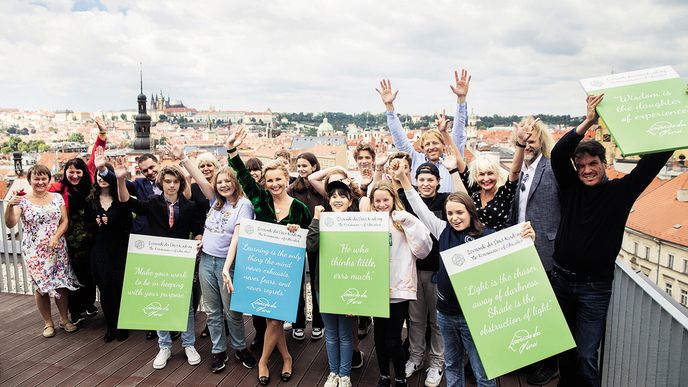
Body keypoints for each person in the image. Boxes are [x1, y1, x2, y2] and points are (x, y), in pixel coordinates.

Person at [549, 95, 673, 387]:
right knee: (564, 351)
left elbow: (653, 161)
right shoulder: (570, 189)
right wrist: (589, 120)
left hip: (595, 287)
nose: (586, 170)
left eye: (593, 163)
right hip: (562, 281)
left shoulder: (620, 192)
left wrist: (677, 119)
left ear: (604, 164)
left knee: (586, 356)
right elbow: (558, 154)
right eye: (580, 166)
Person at [394, 162, 535, 387]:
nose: (454, 218)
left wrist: (527, 238)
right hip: (446, 313)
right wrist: (403, 180)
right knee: (451, 365)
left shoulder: (486, 236)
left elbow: (512, 256)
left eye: (459, 212)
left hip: (474, 316)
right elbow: (419, 207)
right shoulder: (442, 230)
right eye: (450, 213)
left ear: (471, 212)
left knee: (482, 370)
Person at [227, 126, 311, 385]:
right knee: (270, 318)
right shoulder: (260, 199)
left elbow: (310, 237)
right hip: (261, 269)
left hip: (286, 272)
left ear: (287, 179)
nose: (274, 184)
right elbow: (242, 176)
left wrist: (300, 232)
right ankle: (286, 357)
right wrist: (232, 149)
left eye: (278, 180)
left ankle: (263, 361)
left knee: (275, 317)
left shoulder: (299, 208)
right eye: (270, 180)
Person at [171, 144, 258, 374]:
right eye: (219, 182)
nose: (223, 185)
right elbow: (200, 180)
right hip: (206, 261)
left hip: (227, 264)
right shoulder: (215, 201)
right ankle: (218, 350)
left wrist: (227, 268)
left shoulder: (243, 205)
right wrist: (183, 158)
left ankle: (239, 347)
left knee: (232, 311)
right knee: (212, 311)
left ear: (235, 182)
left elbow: (237, 239)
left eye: (227, 181)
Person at [115, 160, 204, 370]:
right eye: (168, 181)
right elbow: (128, 202)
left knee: (186, 306)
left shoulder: (190, 207)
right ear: (161, 183)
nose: (171, 185)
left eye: (175, 182)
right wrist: (120, 180)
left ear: (180, 184)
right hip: (157, 261)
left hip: (181, 261)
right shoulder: (153, 202)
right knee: (159, 303)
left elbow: (198, 228)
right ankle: (164, 345)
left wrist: (198, 239)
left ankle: (188, 344)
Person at [506, 117, 560, 385]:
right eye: (524, 140)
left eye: (532, 139)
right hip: (521, 248)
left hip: (545, 248)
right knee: (528, 306)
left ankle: (549, 364)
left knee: (546, 307)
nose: (528, 144)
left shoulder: (553, 167)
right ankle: (529, 356)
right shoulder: (524, 170)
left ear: (542, 141)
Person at [369, 181, 433, 387]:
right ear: (372, 202)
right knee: (378, 337)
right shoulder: (367, 222)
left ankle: (400, 377)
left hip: (398, 288)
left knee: (393, 339)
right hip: (374, 289)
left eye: (385, 200)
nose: (381, 204)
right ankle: (384, 375)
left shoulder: (402, 221)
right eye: (377, 200)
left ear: (393, 200)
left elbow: (423, 248)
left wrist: (409, 222)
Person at [4, 165, 79, 338]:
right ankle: (48, 323)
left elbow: (64, 221)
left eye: (44, 178)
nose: (40, 182)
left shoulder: (57, 197)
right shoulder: (22, 200)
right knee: (41, 287)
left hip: (57, 247)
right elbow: (10, 223)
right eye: (36, 178)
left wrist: (55, 237)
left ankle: (64, 319)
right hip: (34, 250)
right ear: (30, 180)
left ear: (49, 179)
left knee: (61, 283)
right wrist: (9, 206)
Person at [49, 118, 107, 324]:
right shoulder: (58, 188)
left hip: (91, 234)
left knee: (90, 273)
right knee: (73, 274)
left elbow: (95, 156)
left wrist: (102, 134)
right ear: (65, 172)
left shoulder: (89, 180)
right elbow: (42, 196)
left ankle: (89, 305)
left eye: (78, 171)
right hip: (70, 237)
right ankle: (76, 311)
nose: (74, 175)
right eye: (71, 172)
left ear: (83, 172)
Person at [307, 180, 358, 387]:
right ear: (329, 200)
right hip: (324, 285)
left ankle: (344, 374)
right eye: (333, 196)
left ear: (350, 200)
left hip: (348, 285)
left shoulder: (357, 223)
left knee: (346, 333)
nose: (337, 199)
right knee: (331, 333)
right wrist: (316, 218)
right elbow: (311, 246)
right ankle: (333, 372)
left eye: (342, 196)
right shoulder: (323, 220)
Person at [376, 79, 468, 192]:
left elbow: (458, 133)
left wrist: (461, 100)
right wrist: (389, 106)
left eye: (435, 143)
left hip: (447, 207)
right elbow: (400, 139)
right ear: (423, 148)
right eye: (427, 144)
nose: (431, 147)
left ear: (444, 145)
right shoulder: (415, 159)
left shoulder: (451, 159)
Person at [86, 148, 131, 342]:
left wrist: (110, 223)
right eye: (99, 175)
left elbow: (128, 224)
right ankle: (110, 326)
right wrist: (96, 225)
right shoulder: (91, 200)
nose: (101, 179)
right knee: (105, 289)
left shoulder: (120, 199)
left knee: (120, 288)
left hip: (119, 248)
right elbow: (87, 225)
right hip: (100, 249)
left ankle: (122, 325)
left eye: (104, 175)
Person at [457, 120, 530, 230]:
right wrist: (443, 132)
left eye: (490, 173)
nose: (486, 178)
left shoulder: (504, 194)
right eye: (481, 174)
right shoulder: (473, 193)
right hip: (476, 244)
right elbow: (459, 161)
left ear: (497, 174)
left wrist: (521, 143)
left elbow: (514, 171)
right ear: (476, 177)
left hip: (501, 244)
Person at [287, 152, 325, 341]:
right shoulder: (292, 189)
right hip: (297, 240)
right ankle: (298, 323)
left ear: (314, 167)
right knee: (296, 285)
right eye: (299, 166)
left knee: (317, 283)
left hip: (317, 241)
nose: (301, 169)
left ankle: (318, 322)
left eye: (305, 166)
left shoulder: (321, 189)